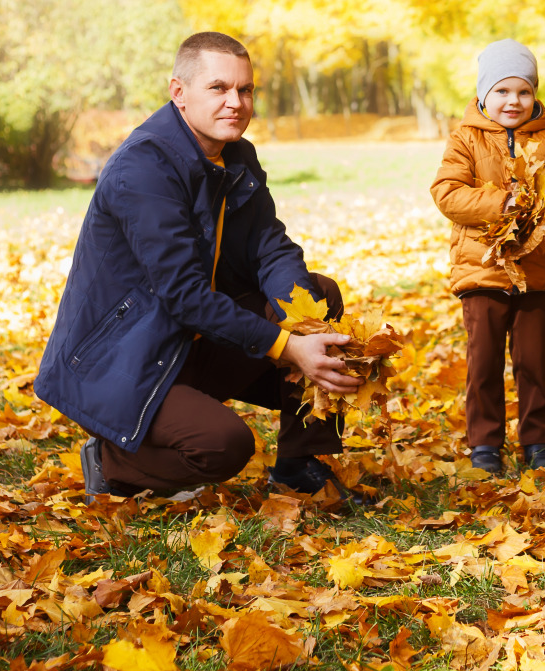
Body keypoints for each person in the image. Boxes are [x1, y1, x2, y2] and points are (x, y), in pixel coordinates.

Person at [34, 31, 368, 504]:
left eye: (246, 89)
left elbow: (269, 248)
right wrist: (289, 348)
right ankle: (110, 461)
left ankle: (298, 465)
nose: (236, 102)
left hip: (186, 343)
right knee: (223, 446)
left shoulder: (235, 155)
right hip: (123, 358)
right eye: (219, 88)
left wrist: (307, 325)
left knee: (318, 293)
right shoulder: (143, 168)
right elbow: (184, 295)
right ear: (179, 92)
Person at [431, 39, 545, 475]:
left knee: (532, 360)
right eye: (501, 91)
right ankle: (485, 444)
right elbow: (447, 192)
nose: (512, 101)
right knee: (483, 361)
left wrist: (544, 196)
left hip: (535, 270)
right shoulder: (466, 138)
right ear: (484, 94)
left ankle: (538, 440)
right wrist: (502, 204)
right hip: (482, 268)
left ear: (534, 94)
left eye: (522, 91)